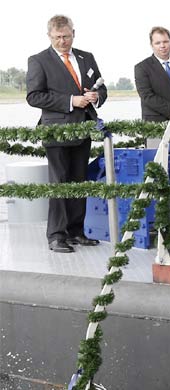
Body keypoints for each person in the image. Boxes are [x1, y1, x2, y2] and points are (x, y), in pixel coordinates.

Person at [26, 15, 107, 253]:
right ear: (49, 36)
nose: (63, 41)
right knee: (59, 184)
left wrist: (96, 96)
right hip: (56, 132)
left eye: (67, 36)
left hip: (84, 129)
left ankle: (76, 232)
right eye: (58, 37)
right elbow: (34, 96)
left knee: (79, 181)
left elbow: (101, 87)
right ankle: (56, 235)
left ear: (74, 33)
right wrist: (72, 101)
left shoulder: (86, 57)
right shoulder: (38, 60)